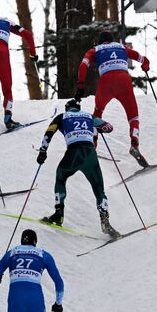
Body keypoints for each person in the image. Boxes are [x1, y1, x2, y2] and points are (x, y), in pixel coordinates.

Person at [37, 99, 120, 238]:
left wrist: (42, 151)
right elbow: (109, 127)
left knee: (61, 176)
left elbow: (49, 133)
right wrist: (99, 128)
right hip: (90, 154)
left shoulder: (62, 116)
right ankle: (105, 222)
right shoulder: (89, 116)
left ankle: (59, 214)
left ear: (67, 108)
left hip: (74, 153)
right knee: (99, 188)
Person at [75, 30, 150, 167]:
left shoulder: (95, 50)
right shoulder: (122, 47)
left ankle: (92, 146)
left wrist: (80, 85)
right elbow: (144, 59)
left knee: (97, 113)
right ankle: (134, 143)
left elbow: (83, 65)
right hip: (124, 82)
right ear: (112, 40)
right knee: (133, 117)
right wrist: (145, 67)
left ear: (100, 41)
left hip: (106, 83)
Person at [0, 229, 64, 312]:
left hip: (16, 299)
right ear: (35, 241)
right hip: (36, 299)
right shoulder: (44, 255)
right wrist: (58, 304)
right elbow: (59, 282)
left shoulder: (12, 253)